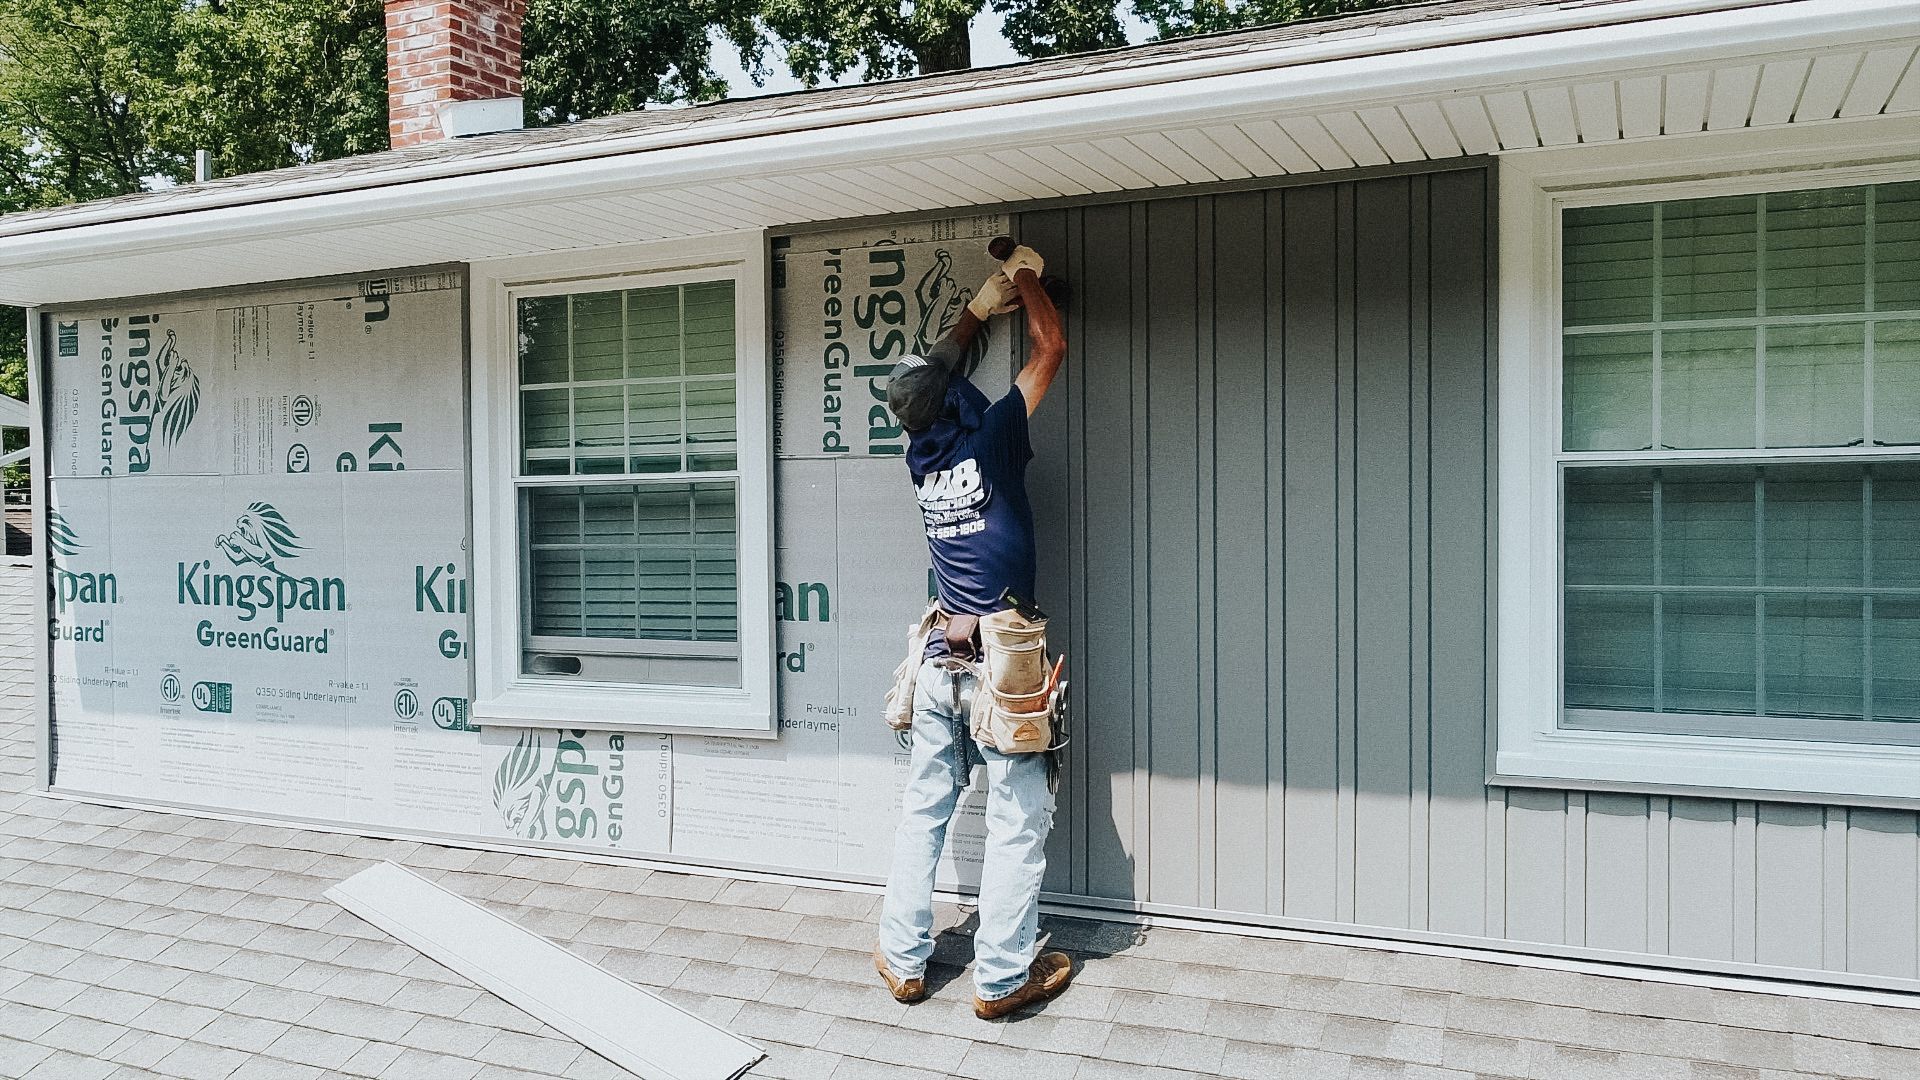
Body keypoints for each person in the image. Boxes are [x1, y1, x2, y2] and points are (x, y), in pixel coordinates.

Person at [873, 244, 1071, 1020]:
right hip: (1003, 663)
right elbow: (1052, 347)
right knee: (1019, 818)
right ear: (962, 400)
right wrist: (1024, 271)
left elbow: (934, 375)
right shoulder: (992, 439)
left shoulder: (921, 454)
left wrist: (979, 308)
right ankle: (998, 981)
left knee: (926, 807)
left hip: (937, 664)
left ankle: (904, 961)